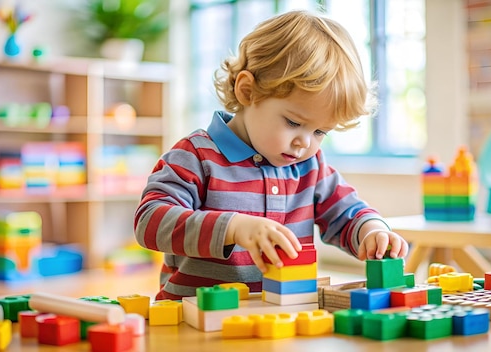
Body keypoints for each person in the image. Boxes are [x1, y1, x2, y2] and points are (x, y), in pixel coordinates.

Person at [134, 10, 409, 300]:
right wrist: (233, 227)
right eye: (293, 122)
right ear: (247, 91)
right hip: (197, 319)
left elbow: (346, 213)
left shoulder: (310, 166)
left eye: (320, 132)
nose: (305, 143)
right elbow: (150, 221)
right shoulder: (196, 156)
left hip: (283, 317)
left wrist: (372, 230)